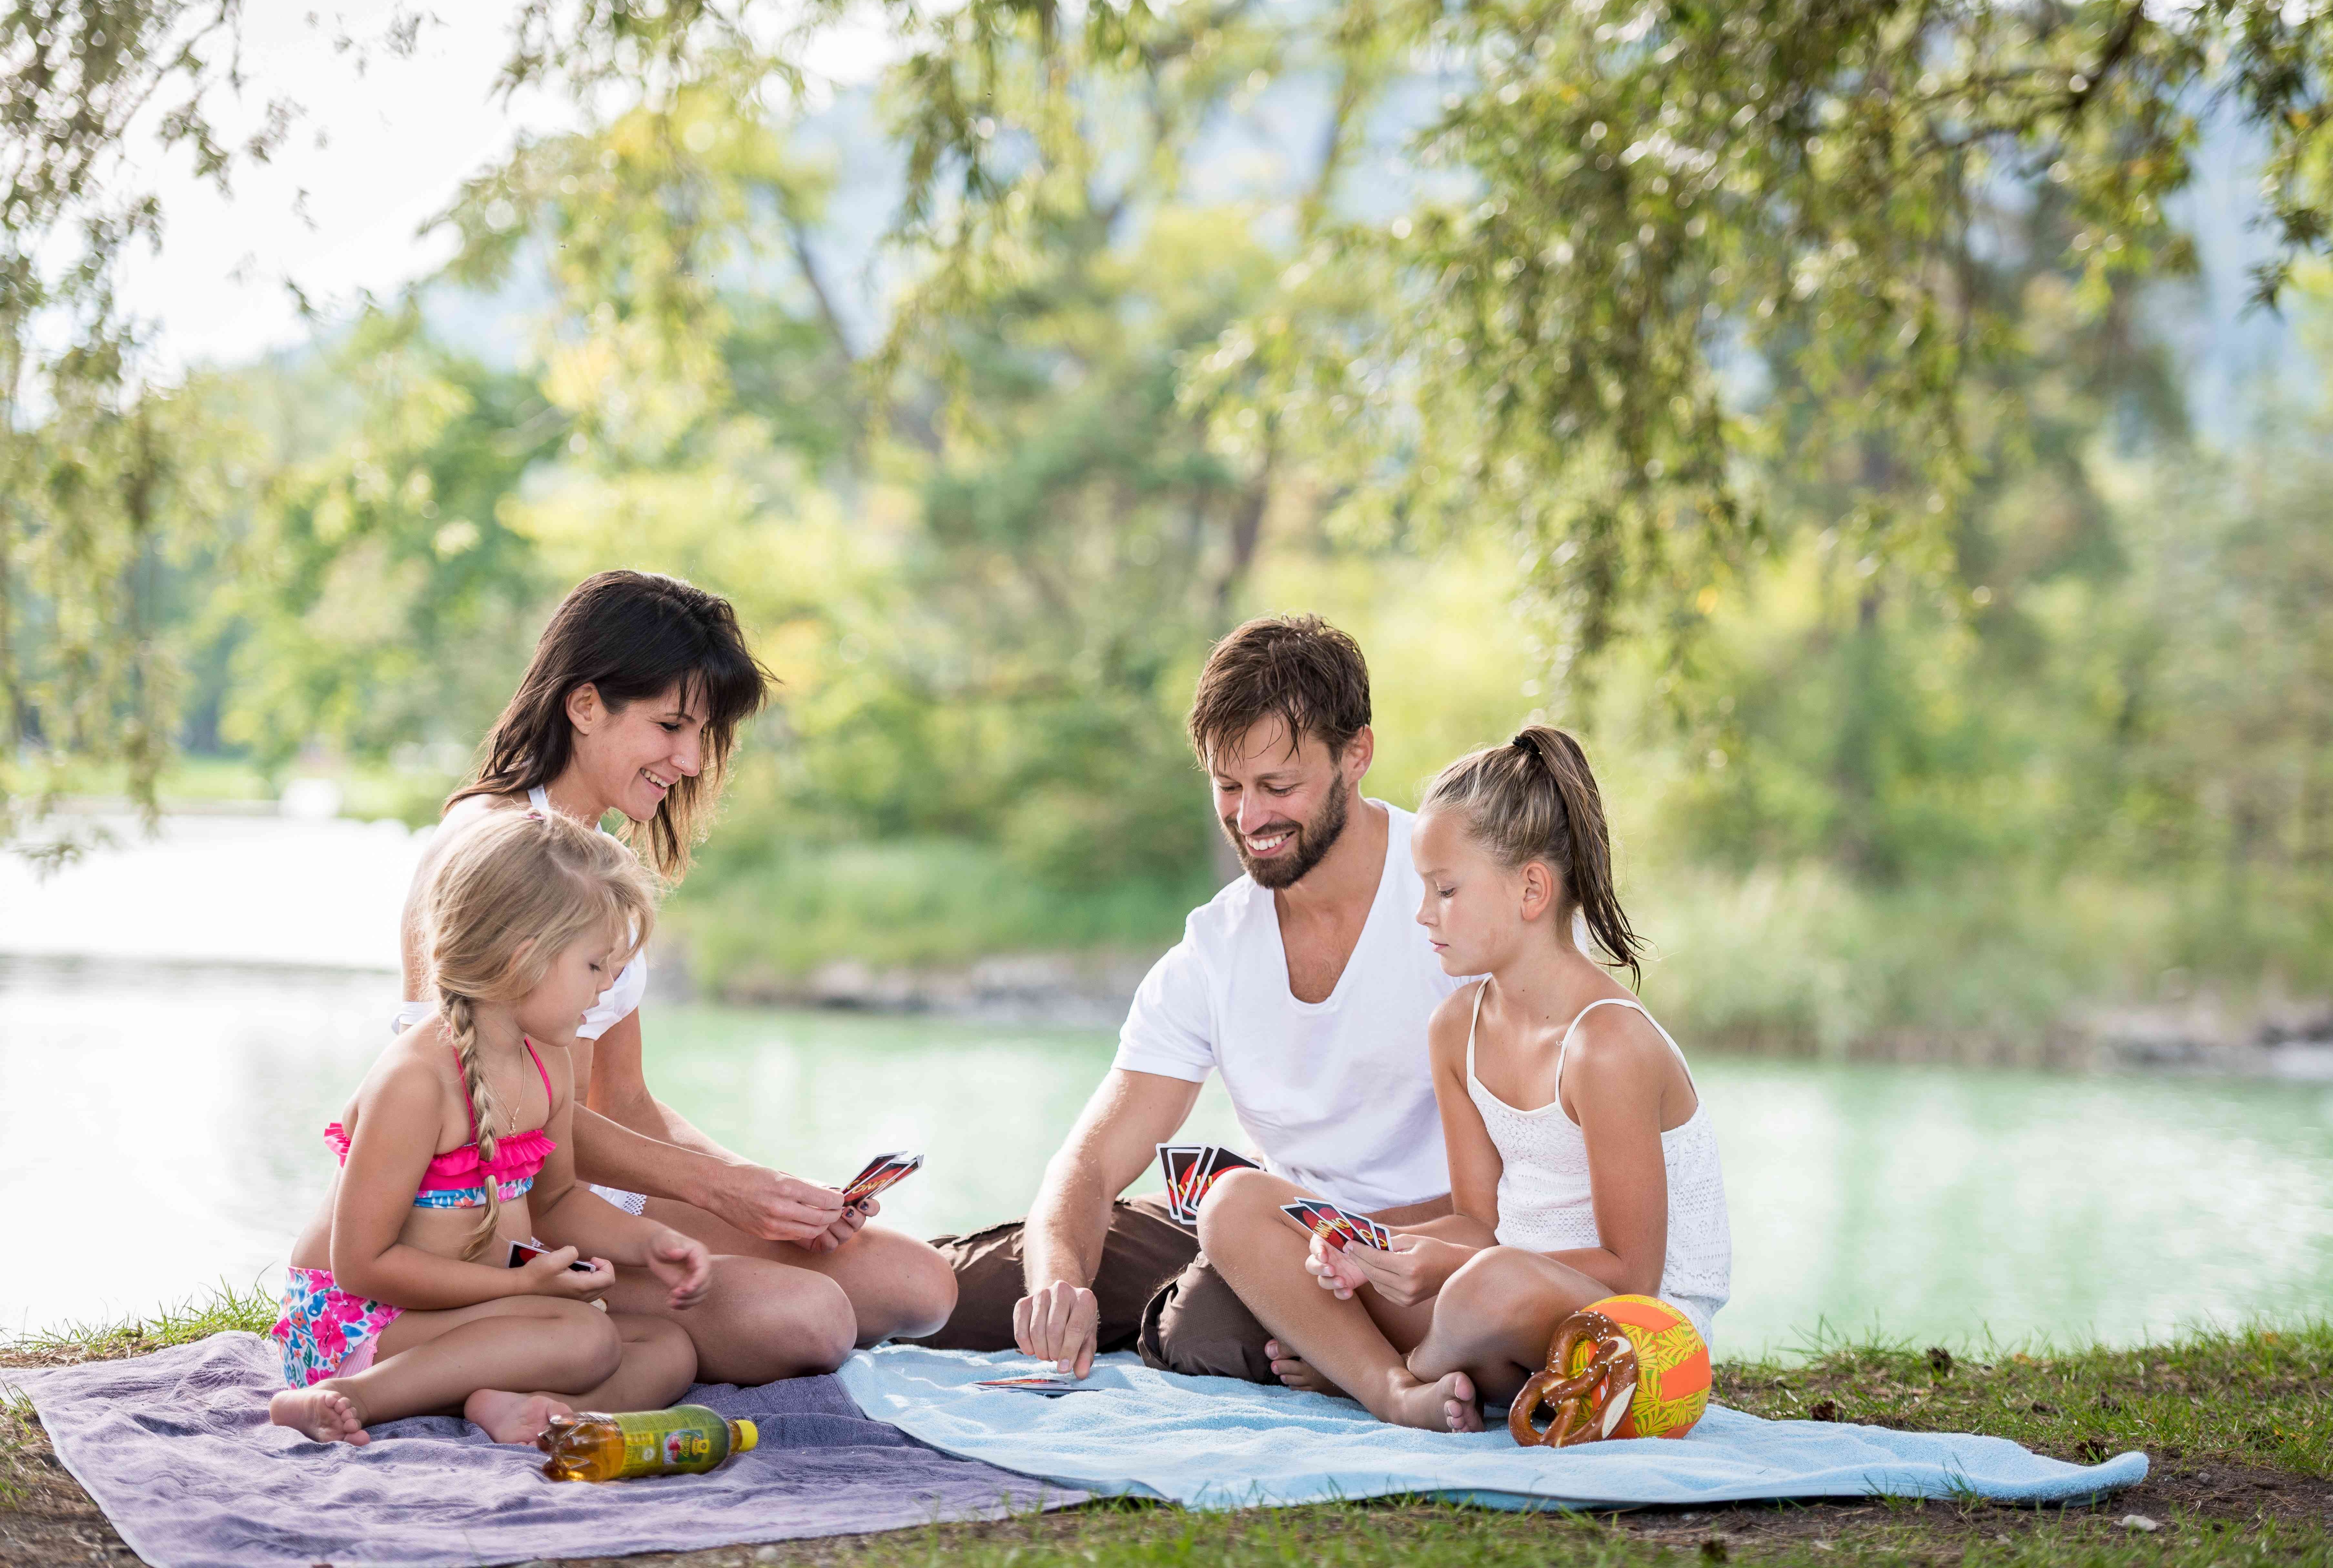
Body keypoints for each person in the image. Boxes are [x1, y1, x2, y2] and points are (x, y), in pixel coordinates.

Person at [397, 570, 955, 1386]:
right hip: (498, 1214)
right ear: (584, 704)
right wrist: (720, 1188)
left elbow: (623, 1099)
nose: (691, 762)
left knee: (918, 1284)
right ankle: (517, 1336)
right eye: (669, 726)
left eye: (702, 734)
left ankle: (603, 1326)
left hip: (589, 1194)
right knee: (812, 1319)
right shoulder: (494, 848)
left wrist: (774, 1196)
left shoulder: (596, 859)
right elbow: (488, 1105)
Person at [922, 615, 1469, 1381]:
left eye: (1278, 786)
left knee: (1201, 1323)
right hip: (1252, 1224)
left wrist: (1322, 1240)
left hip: (1411, 1255)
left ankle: (1325, 1343)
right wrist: (1058, 1286)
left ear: (1356, 755)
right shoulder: (1217, 945)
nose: (1249, 818)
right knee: (945, 1290)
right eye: (1228, 786)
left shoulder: (1458, 900)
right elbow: (1089, 1164)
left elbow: (1546, 1179)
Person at [1197, 726, 1731, 1431]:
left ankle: (1381, 1372)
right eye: (1423, 888)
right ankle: (1396, 1387)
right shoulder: (1457, 1027)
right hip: (1494, 1311)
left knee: (1489, 1284)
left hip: (1636, 1338)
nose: (1423, 913)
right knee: (1235, 1203)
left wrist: (1450, 1268)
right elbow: (1477, 1224)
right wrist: (1368, 1246)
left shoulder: (1607, 1045)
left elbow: (1632, 1273)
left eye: (1445, 890)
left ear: (1531, 889)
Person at [270, 809, 710, 1446]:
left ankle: (530, 1408)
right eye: (594, 965)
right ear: (524, 959)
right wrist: (519, 1285)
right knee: (584, 1336)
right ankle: (347, 1397)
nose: (608, 985)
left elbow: (556, 1201)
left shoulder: (549, 1061)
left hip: (467, 1308)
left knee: (668, 1346)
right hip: (360, 1323)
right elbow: (362, 1265)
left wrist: (651, 1242)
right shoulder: (415, 1081)